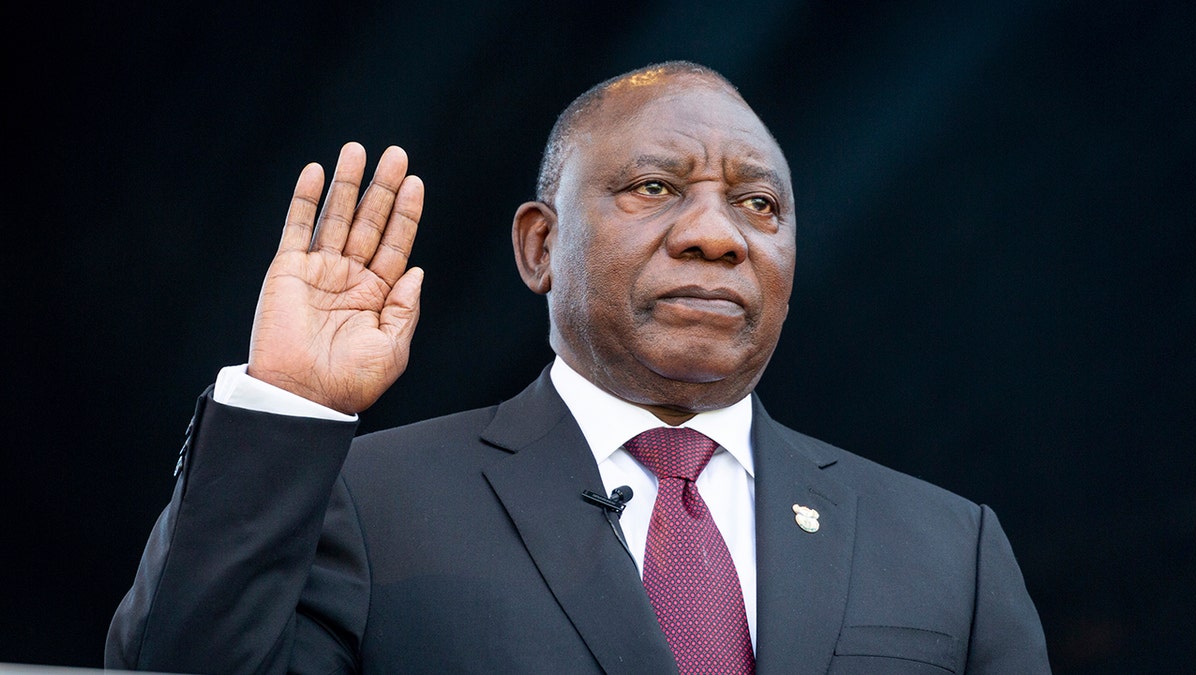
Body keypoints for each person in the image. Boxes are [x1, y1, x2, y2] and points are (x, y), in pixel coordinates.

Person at [106, 61, 1050, 673]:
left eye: (759, 204)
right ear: (539, 247)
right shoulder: (363, 506)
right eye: (654, 187)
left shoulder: (950, 549)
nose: (716, 236)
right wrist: (288, 404)